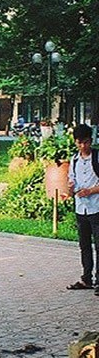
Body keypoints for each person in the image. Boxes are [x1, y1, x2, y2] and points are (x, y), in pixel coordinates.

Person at [66, 123, 99, 293]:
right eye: (79, 142)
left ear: (91, 141)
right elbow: (71, 182)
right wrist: (70, 189)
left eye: (86, 142)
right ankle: (87, 278)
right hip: (81, 208)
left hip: (96, 207)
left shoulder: (97, 157)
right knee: (84, 245)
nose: (83, 146)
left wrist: (91, 191)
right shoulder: (74, 160)